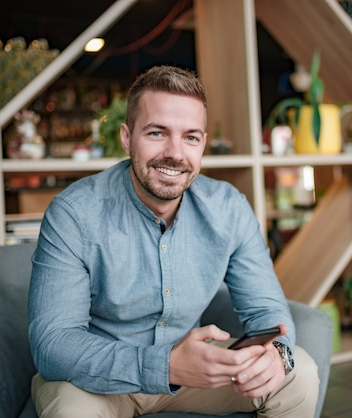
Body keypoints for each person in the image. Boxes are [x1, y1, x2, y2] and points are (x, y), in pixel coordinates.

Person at [28, 65, 319, 417]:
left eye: (190, 137)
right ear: (126, 137)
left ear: (203, 144)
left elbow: (267, 312)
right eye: (156, 133)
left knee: (298, 372)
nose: (175, 154)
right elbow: (54, 345)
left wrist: (278, 356)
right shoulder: (74, 213)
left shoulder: (228, 208)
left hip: (194, 378)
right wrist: (165, 365)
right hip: (98, 380)